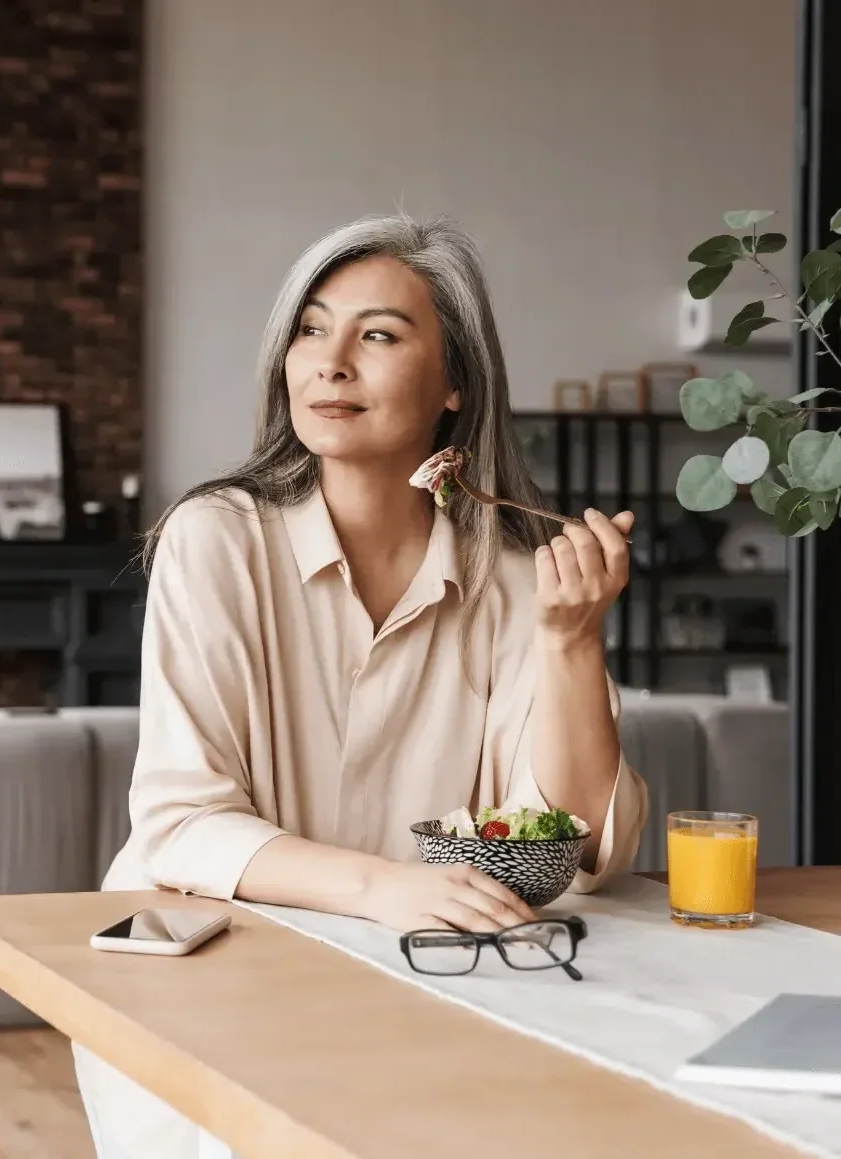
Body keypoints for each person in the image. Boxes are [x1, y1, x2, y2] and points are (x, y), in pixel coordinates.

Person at [72, 214, 649, 1158]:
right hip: (209, 980)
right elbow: (179, 822)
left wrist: (573, 640)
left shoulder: (514, 575)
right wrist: (386, 887)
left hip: (429, 974)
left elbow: (573, 843)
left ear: (455, 384)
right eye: (310, 328)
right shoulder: (217, 537)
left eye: (377, 334)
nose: (329, 362)